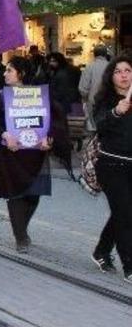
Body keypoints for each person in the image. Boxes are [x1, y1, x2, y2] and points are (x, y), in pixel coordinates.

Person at [0, 56, 70, 253]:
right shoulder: (2, 96)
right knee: (15, 195)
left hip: (35, 154)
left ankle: (21, 228)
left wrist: (49, 137)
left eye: (10, 70)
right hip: (11, 153)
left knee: (33, 196)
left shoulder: (40, 95)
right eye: (6, 70)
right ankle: (20, 236)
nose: (5, 74)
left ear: (21, 74)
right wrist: (5, 134)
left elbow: (55, 119)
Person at [91, 55, 132, 281]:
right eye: (118, 71)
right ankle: (129, 266)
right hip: (112, 165)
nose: (124, 75)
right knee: (125, 215)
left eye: (128, 70)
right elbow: (99, 125)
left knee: (122, 212)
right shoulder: (105, 100)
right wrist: (116, 111)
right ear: (111, 76)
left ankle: (102, 250)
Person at [79, 45, 110, 136]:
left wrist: (86, 98)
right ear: (106, 54)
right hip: (110, 102)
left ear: (94, 54)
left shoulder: (89, 67)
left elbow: (83, 88)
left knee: (93, 129)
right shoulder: (112, 66)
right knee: (108, 129)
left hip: (93, 102)